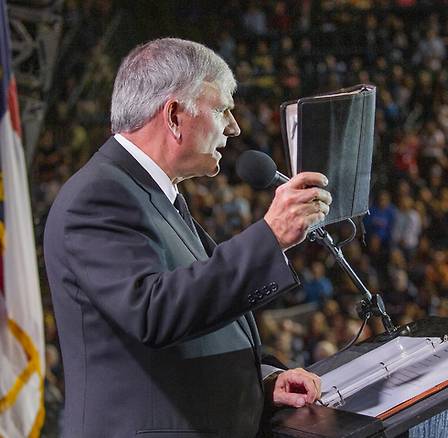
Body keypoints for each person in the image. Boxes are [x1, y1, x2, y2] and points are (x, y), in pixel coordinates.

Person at [43, 38, 332, 438]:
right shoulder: (98, 196)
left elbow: (195, 320)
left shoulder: (153, 192)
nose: (234, 127)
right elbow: (153, 312)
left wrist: (264, 382)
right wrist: (270, 236)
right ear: (175, 115)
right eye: (222, 109)